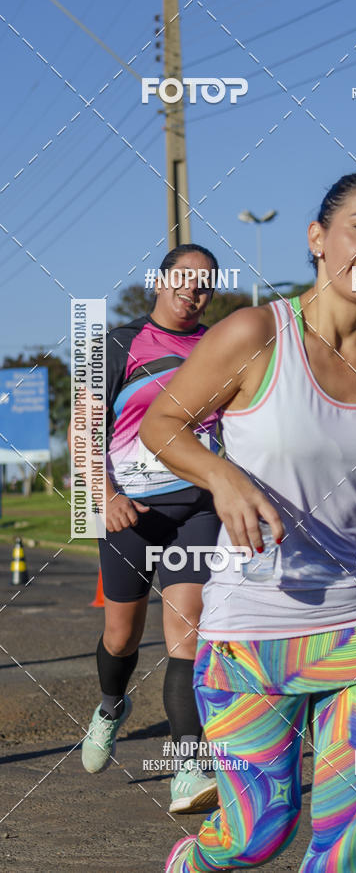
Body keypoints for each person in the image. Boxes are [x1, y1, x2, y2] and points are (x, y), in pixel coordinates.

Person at [140, 172, 356, 873]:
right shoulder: (254, 335)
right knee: (256, 837)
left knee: (345, 851)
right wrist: (224, 478)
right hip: (253, 632)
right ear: (317, 239)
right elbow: (163, 423)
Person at [78, 243, 223, 814]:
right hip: (130, 512)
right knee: (122, 636)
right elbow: (84, 432)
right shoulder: (116, 343)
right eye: (185, 279)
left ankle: (189, 766)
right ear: (159, 282)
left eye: (206, 283)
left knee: (186, 633)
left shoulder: (220, 347)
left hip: (198, 509)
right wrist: (105, 496)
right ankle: (112, 705)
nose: (194, 290)